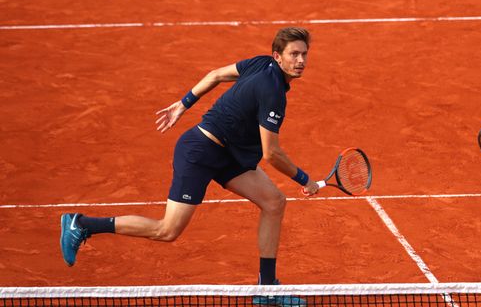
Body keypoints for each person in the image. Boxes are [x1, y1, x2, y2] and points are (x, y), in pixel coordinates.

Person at [60, 27, 318, 306]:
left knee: (274, 202)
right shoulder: (273, 92)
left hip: (229, 155)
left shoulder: (260, 62)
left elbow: (216, 75)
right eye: (294, 54)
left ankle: (267, 290)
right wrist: (305, 179)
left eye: (304, 54)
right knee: (167, 231)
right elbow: (271, 153)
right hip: (200, 152)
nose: (301, 61)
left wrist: (184, 104)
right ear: (278, 56)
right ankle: (82, 224)